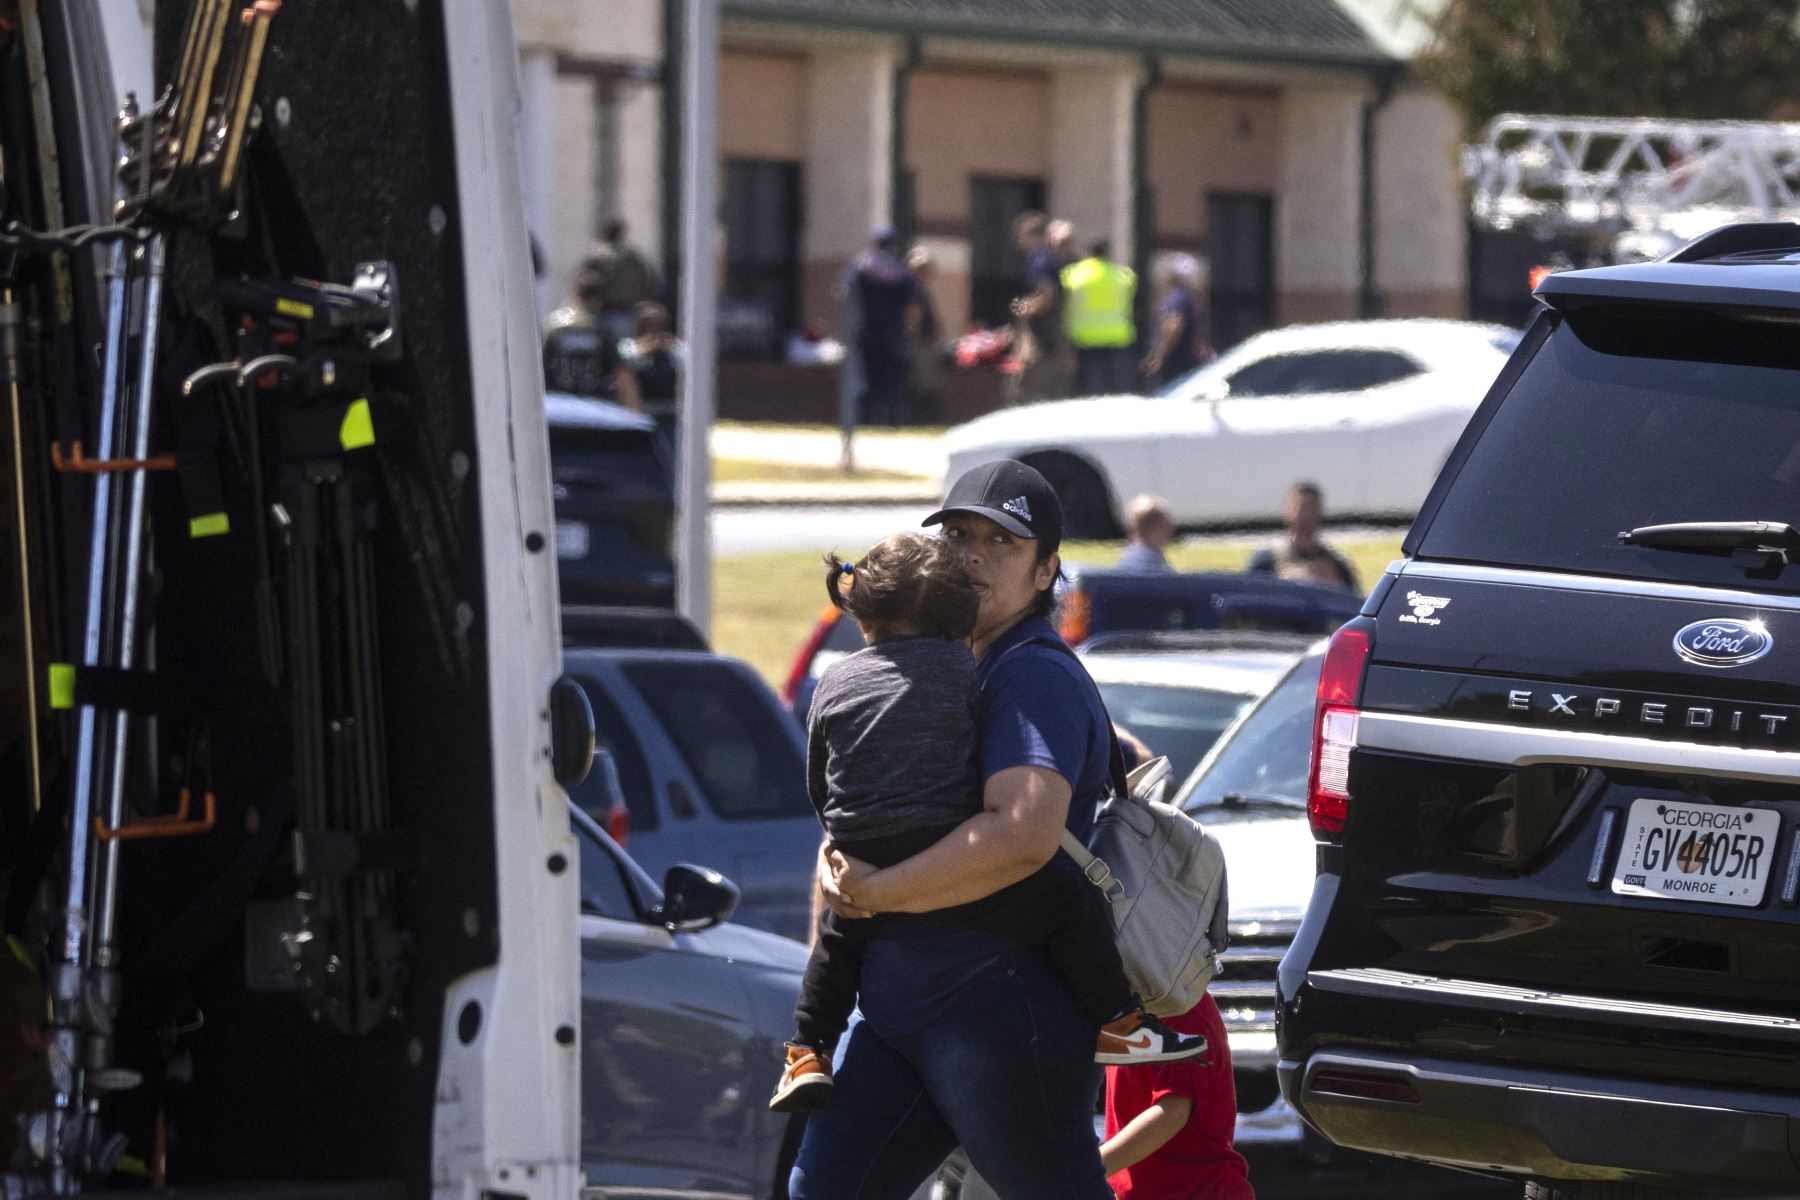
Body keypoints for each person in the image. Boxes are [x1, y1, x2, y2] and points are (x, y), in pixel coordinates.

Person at [789, 459, 1194, 1199]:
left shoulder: (1029, 672)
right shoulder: (935, 665)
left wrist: (875, 890)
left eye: (1003, 543)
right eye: (960, 536)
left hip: (996, 1008)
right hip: (903, 1009)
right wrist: (842, 862)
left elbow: (1023, 832)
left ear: (1046, 573)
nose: (974, 556)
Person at [1100, 995, 1255, 1200]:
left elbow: (1172, 1113)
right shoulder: (1130, 1009)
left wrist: (1090, 1168)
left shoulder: (1183, 1010)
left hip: (1199, 1192)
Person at [842, 226, 921, 428]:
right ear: (893, 247)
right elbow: (913, 305)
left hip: (865, 332)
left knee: (866, 377)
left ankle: (865, 419)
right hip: (893, 333)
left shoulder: (861, 269)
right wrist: (910, 332)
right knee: (892, 378)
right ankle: (892, 419)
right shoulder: (901, 273)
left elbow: (845, 296)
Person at [542, 263, 643, 410]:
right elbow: (623, 375)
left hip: (559, 406)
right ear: (598, 299)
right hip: (596, 409)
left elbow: (540, 367)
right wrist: (635, 412)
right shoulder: (603, 333)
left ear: (575, 294)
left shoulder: (556, 328)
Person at [1009, 211, 1074, 404]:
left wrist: (1024, 309)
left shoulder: (1039, 260)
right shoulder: (1058, 258)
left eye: (1022, 234)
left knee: (1025, 387)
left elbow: (1048, 295)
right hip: (1060, 331)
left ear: (1033, 235)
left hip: (1043, 333)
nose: (1018, 239)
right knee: (1057, 387)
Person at [1246, 481, 1358, 592]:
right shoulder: (1266, 561)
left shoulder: (1336, 565)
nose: (1306, 515)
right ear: (1287, 511)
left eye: (1312, 509)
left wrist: (1332, 582)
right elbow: (1251, 600)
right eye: (1301, 508)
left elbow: (1354, 604)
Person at [1063, 239, 1138, 396]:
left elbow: (1068, 306)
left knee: (1093, 387)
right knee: (1118, 387)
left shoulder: (1075, 274)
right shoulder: (1122, 275)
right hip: (1118, 336)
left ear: (1087, 253)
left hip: (1086, 337)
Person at [1141, 255, 1213, 391]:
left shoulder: (1177, 298)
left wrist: (1159, 357)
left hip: (1175, 363)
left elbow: (1173, 324)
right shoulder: (1191, 298)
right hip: (1186, 360)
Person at [618, 301, 683, 449]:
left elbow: (684, 363)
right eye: (650, 326)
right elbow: (625, 367)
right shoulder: (629, 347)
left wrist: (665, 347)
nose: (655, 331)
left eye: (659, 326)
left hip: (668, 414)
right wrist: (647, 349)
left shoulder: (673, 350)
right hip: (640, 414)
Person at [586, 219, 659, 342]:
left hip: (603, 313)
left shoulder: (599, 256)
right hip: (627, 314)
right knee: (625, 355)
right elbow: (650, 280)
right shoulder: (633, 257)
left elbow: (586, 283)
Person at [904, 246, 946, 424]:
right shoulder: (913, 290)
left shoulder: (920, 290)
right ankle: (924, 420)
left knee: (927, 384)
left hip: (924, 342)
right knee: (924, 385)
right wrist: (911, 340)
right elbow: (913, 317)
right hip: (920, 344)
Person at [1118, 495, 1175, 573]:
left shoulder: (1132, 554)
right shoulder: (1146, 561)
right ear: (1154, 528)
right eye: (1166, 526)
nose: (1171, 531)